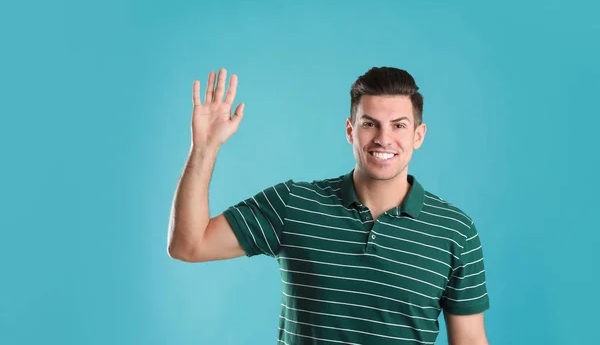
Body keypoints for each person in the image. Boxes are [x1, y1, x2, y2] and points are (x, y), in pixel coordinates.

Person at [167, 67, 490, 345]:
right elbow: (189, 246)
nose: (383, 138)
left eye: (399, 126)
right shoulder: (293, 203)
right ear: (350, 130)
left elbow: (471, 340)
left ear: (418, 135)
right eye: (369, 124)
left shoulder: (454, 230)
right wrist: (204, 148)